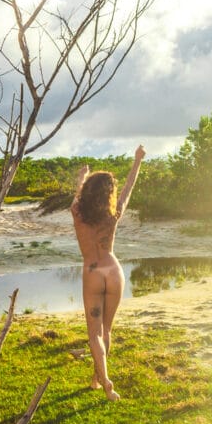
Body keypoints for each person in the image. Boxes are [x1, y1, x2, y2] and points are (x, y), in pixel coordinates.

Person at [71, 145, 145, 401]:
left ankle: (105, 382)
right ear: (108, 195)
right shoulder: (113, 213)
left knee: (94, 334)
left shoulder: (78, 212)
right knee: (106, 331)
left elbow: (78, 197)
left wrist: (81, 178)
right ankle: (96, 378)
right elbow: (128, 189)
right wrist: (137, 161)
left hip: (93, 271)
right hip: (113, 270)